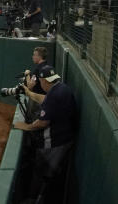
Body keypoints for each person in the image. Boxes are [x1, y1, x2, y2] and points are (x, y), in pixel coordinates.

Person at [14, 65, 78, 203]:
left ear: (44, 81)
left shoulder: (54, 95)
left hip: (54, 143)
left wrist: (25, 126)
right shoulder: (61, 88)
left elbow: (42, 123)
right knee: (49, 175)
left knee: (42, 174)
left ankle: (34, 200)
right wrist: (29, 93)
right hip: (65, 138)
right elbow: (46, 100)